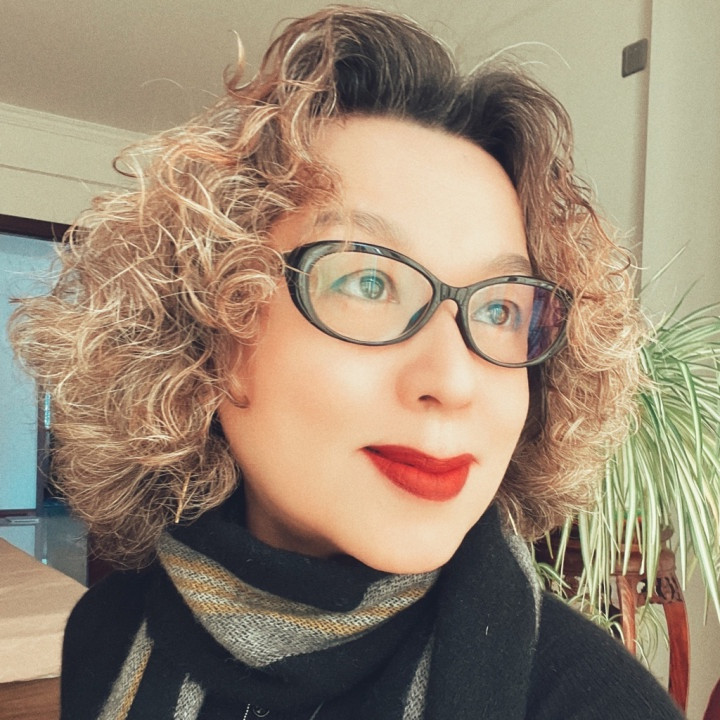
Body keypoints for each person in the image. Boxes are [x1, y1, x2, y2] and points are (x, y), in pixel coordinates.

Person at [10, 6, 685, 719]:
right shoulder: (105, 635)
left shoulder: (593, 703)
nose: (453, 381)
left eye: (499, 310)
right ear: (207, 327)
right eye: (367, 282)